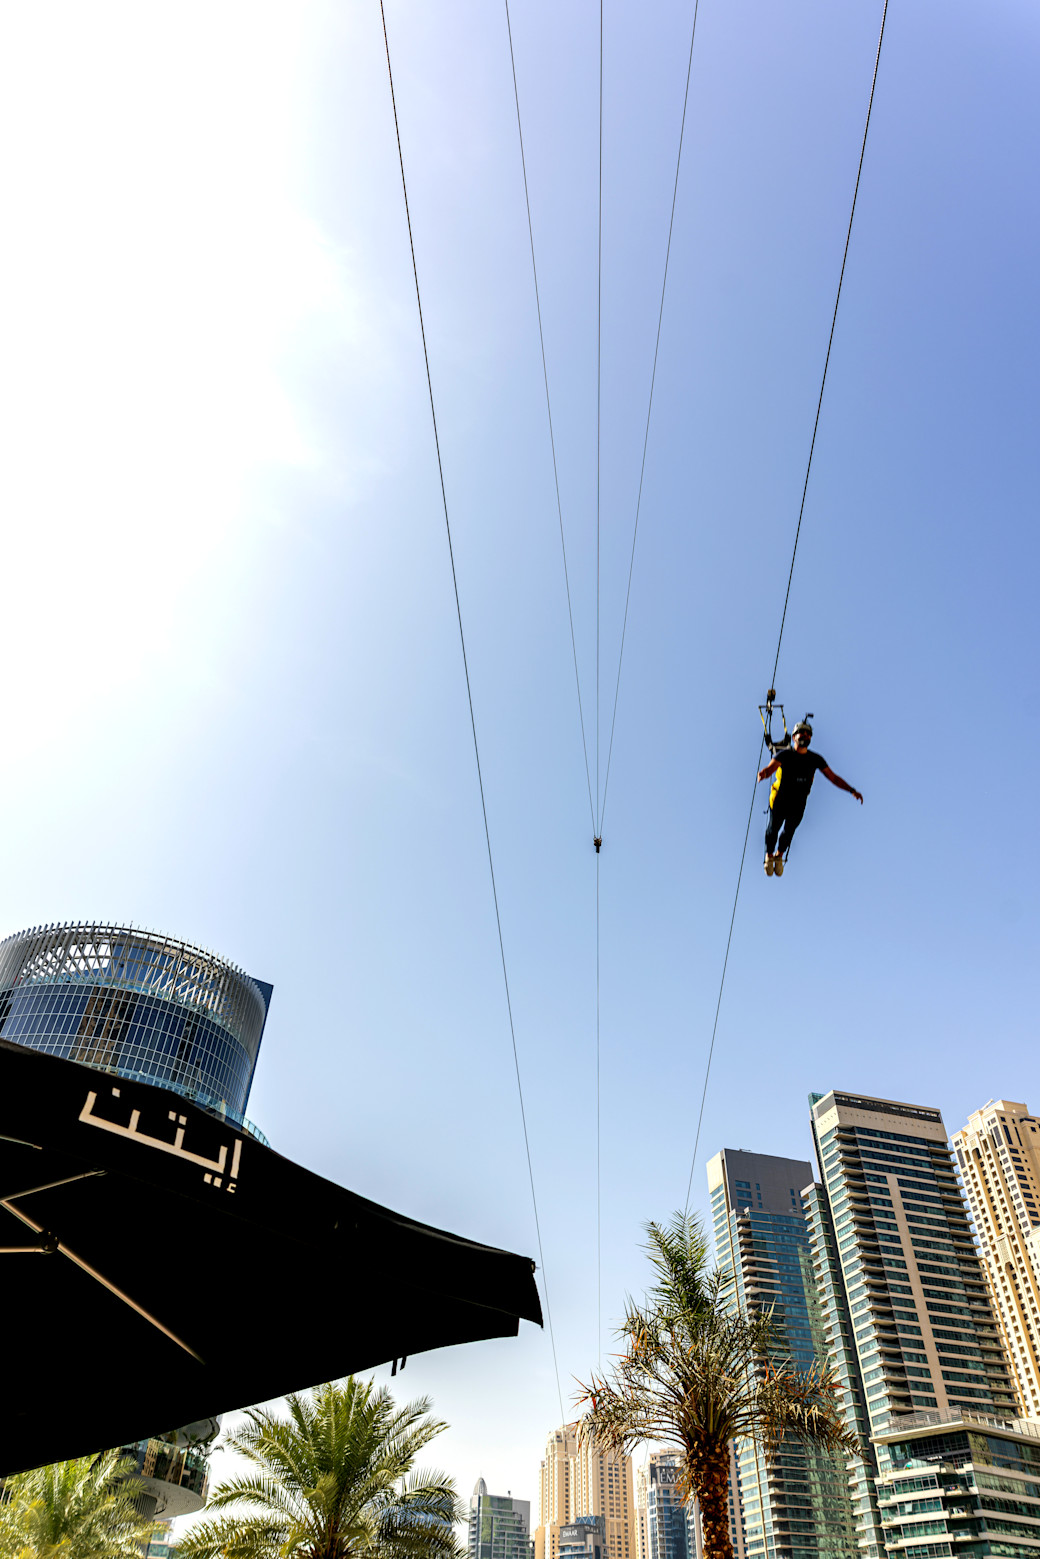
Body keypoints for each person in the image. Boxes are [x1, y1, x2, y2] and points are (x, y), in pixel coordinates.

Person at [757, 720, 862, 876]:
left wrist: (851, 790)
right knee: (773, 830)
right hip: (780, 800)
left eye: (808, 734)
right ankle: (769, 856)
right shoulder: (785, 754)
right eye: (801, 733)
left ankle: (779, 856)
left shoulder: (815, 759)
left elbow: (833, 777)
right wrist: (764, 774)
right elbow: (771, 768)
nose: (805, 735)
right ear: (794, 737)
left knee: (788, 832)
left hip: (798, 803)